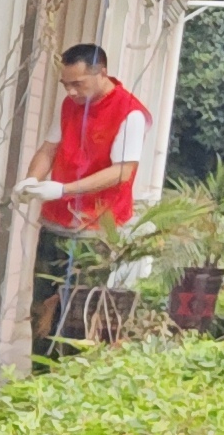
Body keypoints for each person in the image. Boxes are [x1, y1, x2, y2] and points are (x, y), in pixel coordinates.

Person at [19, 41, 153, 359]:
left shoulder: (130, 112)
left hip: (95, 229)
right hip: (56, 222)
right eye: (65, 84)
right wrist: (31, 180)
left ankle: (72, 374)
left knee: (79, 315)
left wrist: (63, 189)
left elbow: (121, 172)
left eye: (78, 84)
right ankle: (40, 374)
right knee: (43, 308)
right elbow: (49, 148)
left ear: (101, 73)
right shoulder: (70, 105)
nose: (71, 91)